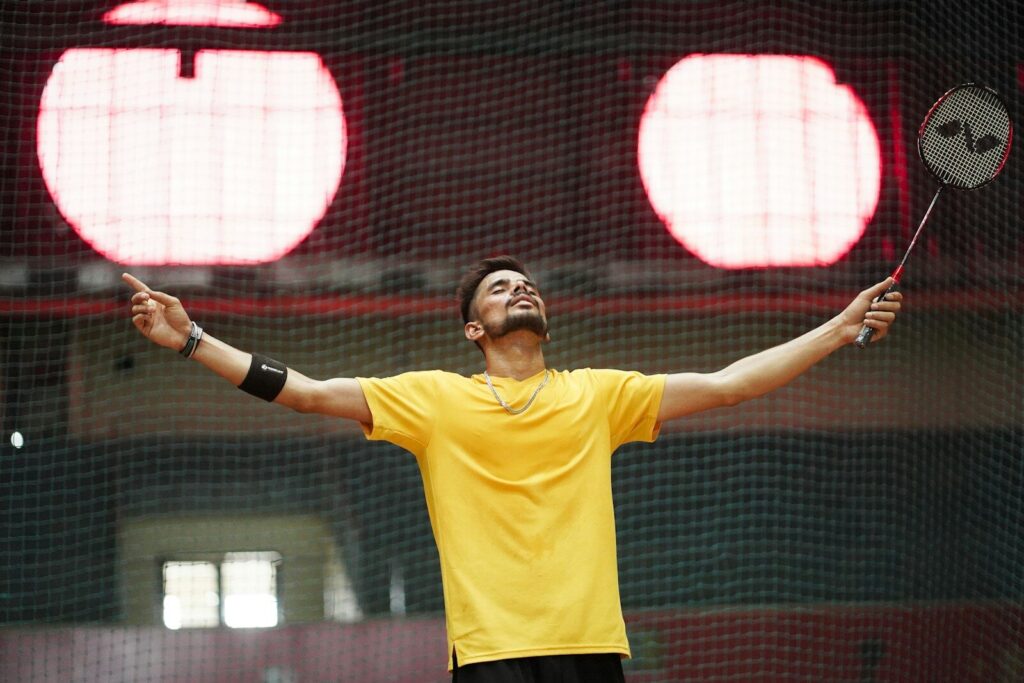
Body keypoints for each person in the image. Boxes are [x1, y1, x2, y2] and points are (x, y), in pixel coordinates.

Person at [122, 256, 902, 683]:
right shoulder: (434, 402)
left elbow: (733, 383)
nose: (519, 286)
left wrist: (837, 328)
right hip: (490, 654)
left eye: (525, 282)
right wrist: (194, 341)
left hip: (591, 647)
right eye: (500, 287)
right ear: (475, 326)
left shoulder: (600, 395)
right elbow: (309, 393)